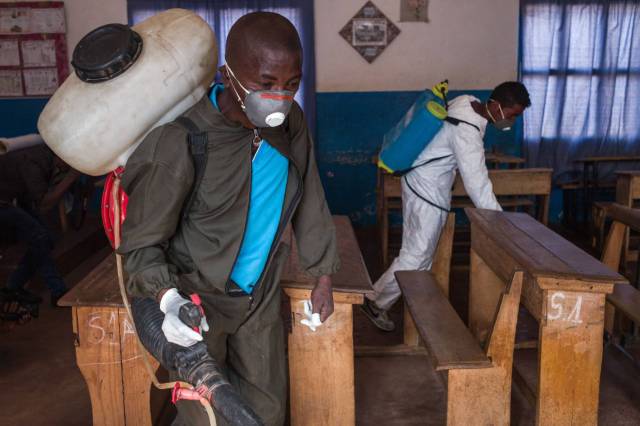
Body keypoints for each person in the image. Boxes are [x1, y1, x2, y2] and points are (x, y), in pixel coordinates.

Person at [117, 12, 340, 426]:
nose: (279, 98)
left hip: (260, 294)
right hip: (196, 297)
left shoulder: (290, 124)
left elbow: (309, 193)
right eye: (265, 84)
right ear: (228, 74)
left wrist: (322, 275)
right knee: (206, 414)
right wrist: (168, 300)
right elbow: (141, 244)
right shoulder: (182, 141)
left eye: (292, 85)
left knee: (267, 410)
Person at [362, 82, 531, 331]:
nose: (512, 121)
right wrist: (500, 222)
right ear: (495, 106)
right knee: (416, 254)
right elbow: (477, 185)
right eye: (512, 114)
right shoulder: (467, 132)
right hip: (427, 191)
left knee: (420, 253)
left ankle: (412, 308)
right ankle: (375, 301)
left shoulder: (466, 101)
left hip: (420, 182)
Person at [0, 143, 80, 307]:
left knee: (47, 239)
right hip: (3, 202)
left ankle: (13, 286)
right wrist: (71, 177)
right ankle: (58, 292)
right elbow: (44, 204)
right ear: (61, 156)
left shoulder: (46, 159)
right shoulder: (34, 161)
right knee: (40, 237)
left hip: (14, 199)